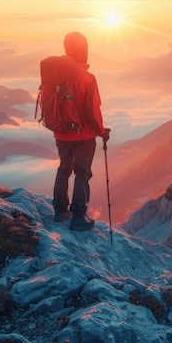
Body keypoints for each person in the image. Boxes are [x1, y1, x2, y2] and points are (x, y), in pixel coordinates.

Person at [52, 31, 110, 231]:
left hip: (60, 132)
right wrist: (102, 131)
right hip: (83, 136)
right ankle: (78, 216)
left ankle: (60, 211)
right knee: (82, 173)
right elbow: (92, 112)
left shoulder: (54, 74)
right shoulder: (87, 78)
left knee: (64, 169)